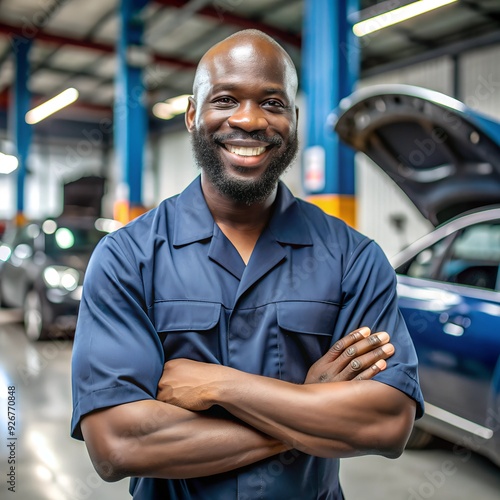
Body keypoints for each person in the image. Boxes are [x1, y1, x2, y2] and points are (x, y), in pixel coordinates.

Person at [71, 29, 424, 499]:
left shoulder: (353, 258)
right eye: (225, 99)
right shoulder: (127, 259)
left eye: (273, 103)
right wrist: (308, 404)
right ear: (193, 115)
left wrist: (223, 386)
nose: (250, 119)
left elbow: (386, 423)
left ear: (294, 121)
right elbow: (118, 444)